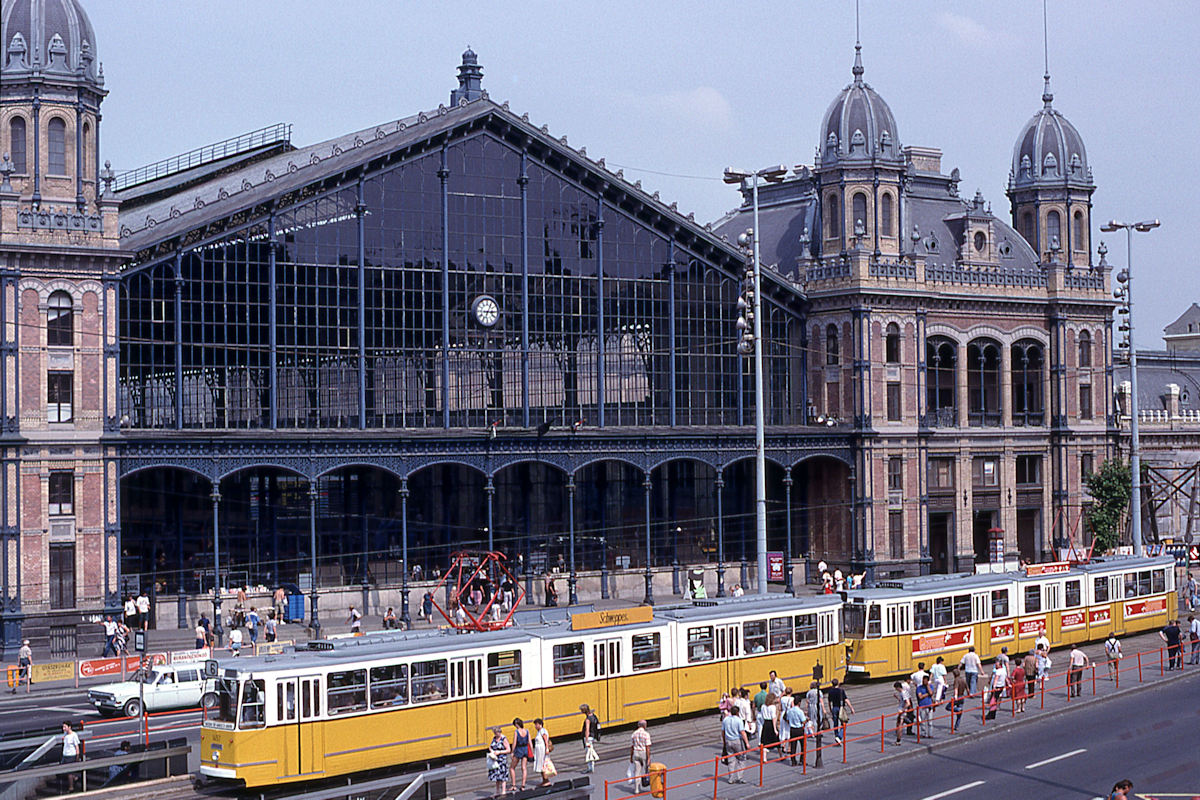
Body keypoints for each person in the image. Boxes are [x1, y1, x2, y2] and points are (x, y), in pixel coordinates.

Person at [722, 707, 750, 782]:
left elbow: (723, 732)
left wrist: (724, 742)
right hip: (737, 741)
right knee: (741, 759)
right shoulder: (739, 720)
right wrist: (747, 743)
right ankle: (739, 777)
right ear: (738, 712)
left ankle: (731, 778)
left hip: (728, 741)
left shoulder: (726, 719)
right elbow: (742, 732)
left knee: (731, 760)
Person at [826, 678, 853, 744]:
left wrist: (830, 710)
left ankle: (836, 736)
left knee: (835, 724)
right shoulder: (841, 691)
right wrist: (851, 708)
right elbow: (846, 700)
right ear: (838, 683)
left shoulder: (830, 692)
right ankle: (839, 736)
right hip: (841, 708)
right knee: (844, 724)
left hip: (834, 708)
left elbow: (829, 702)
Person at [487, 725, 511, 795]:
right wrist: (491, 750)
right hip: (495, 760)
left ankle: (503, 791)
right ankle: (497, 791)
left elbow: (508, 750)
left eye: (498, 732)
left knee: (503, 776)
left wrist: (499, 752)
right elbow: (490, 746)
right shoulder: (494, 738)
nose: (497, 734)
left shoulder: (503, 739)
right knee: (496, 776)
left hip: (502, 760)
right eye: (496, 733)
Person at [510, 718, 531, 790]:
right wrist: (531, 751)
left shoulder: (516, 732)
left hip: (518, 750)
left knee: (512, 768)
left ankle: (514, 785)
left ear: (516, 724)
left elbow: (514, 743)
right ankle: (523, 785)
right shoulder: (527, 731)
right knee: (524, 768)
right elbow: (530, 742)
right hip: (525, 750)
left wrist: (512, 752)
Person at [629, 720, 651, 789]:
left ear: (638, 726)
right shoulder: (646, 734)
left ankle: (636, 789)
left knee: (637, 771)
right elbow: (647, 747)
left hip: (636, 753)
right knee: (646, 769)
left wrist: (631, 757)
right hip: (643, 753)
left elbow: (632, 747)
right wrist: (648, 758)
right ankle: (646, 783)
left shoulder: (634, 734)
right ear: (645, 726)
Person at [60, 721, 81, 792]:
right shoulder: (65, 734)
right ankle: (75, 778)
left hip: (71, 755)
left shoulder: (74, 735)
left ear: (69, 727)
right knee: (65, 771)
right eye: (63, 727)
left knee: (69, 772)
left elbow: (77, 746)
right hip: (65, 755)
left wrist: (77, 757)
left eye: (65, 727)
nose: (63, 728)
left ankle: (71, 787)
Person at [533, 718, 554, 787]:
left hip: (542, 750)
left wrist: (547, 748)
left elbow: (545, 740)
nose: (535, 726)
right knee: (540, 765)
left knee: (543, 765)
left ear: (540, 724)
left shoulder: (543, 731)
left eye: (536, 724)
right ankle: (544, 780)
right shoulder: (539, 731)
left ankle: (546, 781)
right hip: (539, 750)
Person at [579, 704, 597, 773]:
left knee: (589, 752)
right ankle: (591, 767)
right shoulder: (593, 716)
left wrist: (586, 740)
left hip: (588, 737)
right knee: (590, 751)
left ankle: (590, 768)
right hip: (592, 736)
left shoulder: (587, 719)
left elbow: (587, 730)